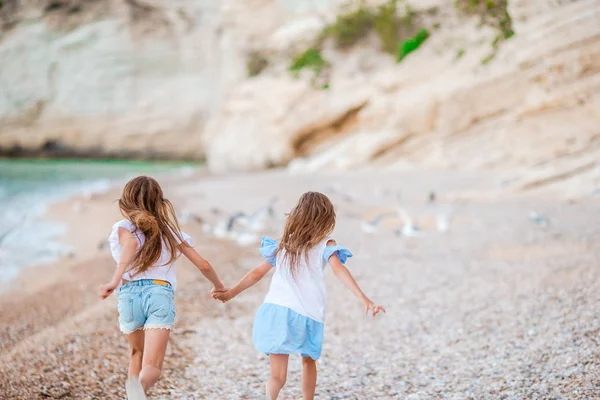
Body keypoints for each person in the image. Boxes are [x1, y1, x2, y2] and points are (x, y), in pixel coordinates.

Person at [213, 191, 385, 400]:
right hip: (306, 314)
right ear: (326, 219)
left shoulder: (285, 244)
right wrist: (363, 297)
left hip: (274, 311)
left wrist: (230, 293)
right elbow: (339, 270)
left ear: (297, 215)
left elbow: (257, 273)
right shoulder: (325, 244)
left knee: (277, 376)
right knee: (308, 360)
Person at [99, 176, 226, 399]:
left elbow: (130, 244)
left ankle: (134, 391)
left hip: (129, 296)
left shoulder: (122, 227)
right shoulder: (170, 231)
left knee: (136, 353)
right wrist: (219, 287)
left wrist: (114, 280)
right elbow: (203, 264)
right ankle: (138, 388)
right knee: (153, 366)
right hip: (159, 295)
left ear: (126, 201)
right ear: (159, 201)